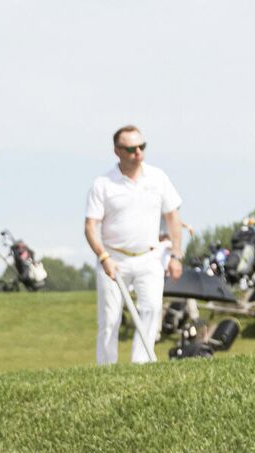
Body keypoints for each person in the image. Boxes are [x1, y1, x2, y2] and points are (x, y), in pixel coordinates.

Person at [84, 124, 183, 365]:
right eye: (130, 149)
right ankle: (106, 368)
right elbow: (90, 226)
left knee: (151, 310)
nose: (137, 153)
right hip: (114, 259)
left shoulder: (158, 178)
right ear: (117, 151)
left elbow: (172, 217)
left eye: (141, 147)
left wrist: (176, 255)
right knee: (110, 319)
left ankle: (142, 364)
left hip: (150, 257)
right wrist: (103, 257)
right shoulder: (103, 184)